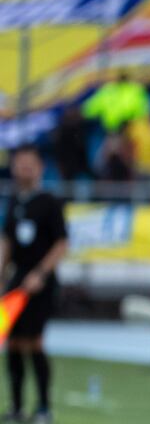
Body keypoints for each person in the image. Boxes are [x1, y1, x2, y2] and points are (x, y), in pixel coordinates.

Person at [1, 145, 68, 424]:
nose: (24, 168)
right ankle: (16, 406)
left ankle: (43, 408)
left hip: (41, 283)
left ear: (40, 167)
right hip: (16, 281)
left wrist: (40, 273)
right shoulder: (15, 201)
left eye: (29, 163)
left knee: (34, 342)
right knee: (12, 343)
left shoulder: (50, 202)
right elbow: (6, 242)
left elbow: (62, 244)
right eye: (20, 164)